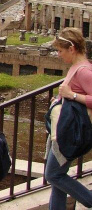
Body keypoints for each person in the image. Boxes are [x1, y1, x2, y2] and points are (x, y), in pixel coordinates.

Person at [45, 28, 92, 209]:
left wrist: (71, 95)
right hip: (65, 128)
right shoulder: (77, 68)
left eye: (60, 50)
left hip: (69, 133)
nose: (58, 55)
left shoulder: (84, 71)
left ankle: (88, 199)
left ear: (71, 48)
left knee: (53, 175)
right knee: (58, 183)